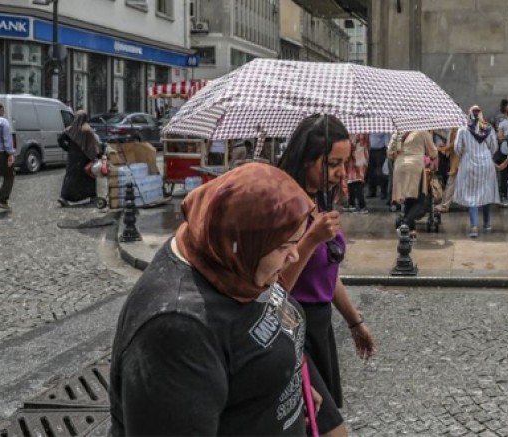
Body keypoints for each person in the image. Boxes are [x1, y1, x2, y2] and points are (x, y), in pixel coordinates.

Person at [109, 163, 326, 436]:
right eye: (284, 246)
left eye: (298, 241)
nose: (294, 255)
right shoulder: (176, 330)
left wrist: (285, 386)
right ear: (241, 240)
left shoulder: (230, 264)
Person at [278, 114, 374, 437]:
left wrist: (355, 321)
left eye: (345, 163)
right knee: (332, 431)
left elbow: (328, 275)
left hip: (319, 329)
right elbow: (275, 286)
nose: (341, 173)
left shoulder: (319, 202)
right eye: (333, 163)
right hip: (290, 331)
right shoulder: (285, 205)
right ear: (307, 158)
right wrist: (312, 239)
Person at [454, 105, 500, 238]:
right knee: (485, 192)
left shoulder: (463, 129)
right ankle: (487, 223)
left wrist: (466, 155)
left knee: (471, 194)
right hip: (486, 163)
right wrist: (485, 155)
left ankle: (474, 227)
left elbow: (457, 148)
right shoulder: (489, 129)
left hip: (469, 163)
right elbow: (494, 146)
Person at [390, 130, 438, 238]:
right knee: (420, 202)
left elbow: (389, 152)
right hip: (415, 168)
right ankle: (405, 224)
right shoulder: (422, 131)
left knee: (408, 200)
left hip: (400, 167)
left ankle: (411, 231)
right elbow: (433, 152)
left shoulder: (397, 132)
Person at [58, 111, 99, 206]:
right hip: (85, 158)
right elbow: (92, 146)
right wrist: (95, 157)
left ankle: (64, 197)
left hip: (72, 157)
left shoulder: (69, 130)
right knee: (89, 177)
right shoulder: (87, 130)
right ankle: (92, 196)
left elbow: (60, 139)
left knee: (70, 177)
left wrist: (67, 148)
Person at [346, 134, 369, 214]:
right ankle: (352, 203)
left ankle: (362, 205)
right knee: (354, 182)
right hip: (362, 157)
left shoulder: (356, 134)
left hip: (356, 158)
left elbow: (351, 145)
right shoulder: (364, 133)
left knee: (356, 183)